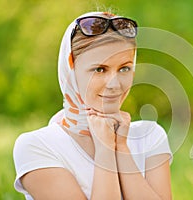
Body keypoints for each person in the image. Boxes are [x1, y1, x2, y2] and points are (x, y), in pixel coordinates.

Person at [13, 11, 172, 200]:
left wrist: (121, 147)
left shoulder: (150, 136)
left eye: (124, 68)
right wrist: (105, 149)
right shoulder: (38, 146)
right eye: (99, 69)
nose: (114, 84)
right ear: (70, 69)